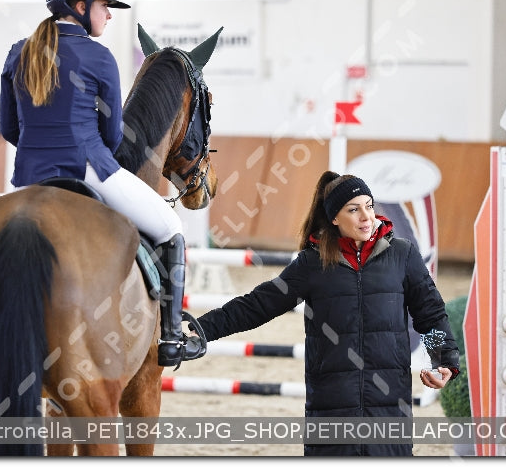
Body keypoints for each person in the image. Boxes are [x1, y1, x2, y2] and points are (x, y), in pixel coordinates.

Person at [0, 0, 206, 368]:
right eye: (104, 6)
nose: (109, 14)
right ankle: (170, 337)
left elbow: (9, 128)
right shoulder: (98, 56)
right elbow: (112, 138)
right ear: (80, 5)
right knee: (171, 229)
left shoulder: (18, 51)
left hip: (28, 179)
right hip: (90, 167)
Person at [193, 171, 460, 456]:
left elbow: (430, 314)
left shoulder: (403, 255)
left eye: (369, 206)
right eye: (353, 210)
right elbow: (257, 305)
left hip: (388, 405)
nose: (366, 217)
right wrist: (202, 329)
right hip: (331, 405)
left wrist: (443, 359)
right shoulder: (312, 263)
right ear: (334, 218)